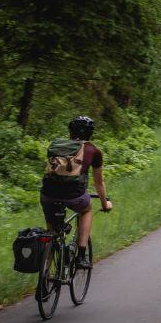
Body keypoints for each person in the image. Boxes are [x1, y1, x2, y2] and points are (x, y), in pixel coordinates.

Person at [40, 115, 112, 269]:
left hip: (47, 195)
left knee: (51, 232)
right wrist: (105, 203)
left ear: (70, 130)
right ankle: (80, 256)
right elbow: (99, 183)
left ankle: (44, 276)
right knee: (86, 210)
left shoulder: (56, 144)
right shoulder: (93, 150)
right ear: (90, 133)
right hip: (74, 196)